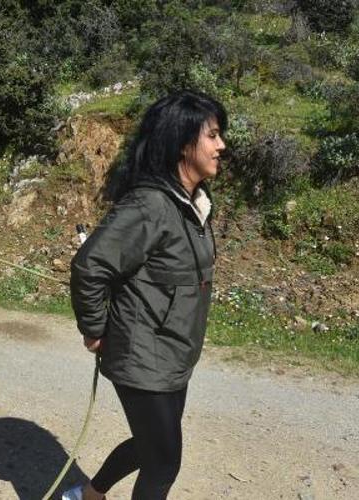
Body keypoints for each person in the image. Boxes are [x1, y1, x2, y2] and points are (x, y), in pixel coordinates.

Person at [65, 90, 227, 500]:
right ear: (182, 142)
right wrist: (94, 329)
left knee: (150, 444)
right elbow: (90, 266)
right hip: (142, 357)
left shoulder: (193, 205)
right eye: (212, 135)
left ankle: (88, 495)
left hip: (174, 353)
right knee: (163, 462)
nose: (221, 145)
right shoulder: (149, 205)